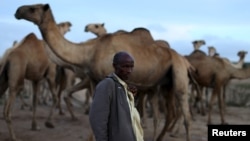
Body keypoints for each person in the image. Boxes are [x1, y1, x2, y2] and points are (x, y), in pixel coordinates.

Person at [89, 51, 144, 141]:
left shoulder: (123, 87)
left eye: (131, 67)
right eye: (125, 66)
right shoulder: (107, 85)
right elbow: (97, 120)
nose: (129, 70)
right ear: (115, 66)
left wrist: (130, 96)